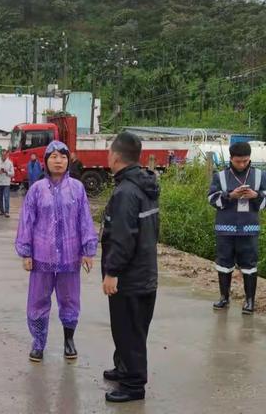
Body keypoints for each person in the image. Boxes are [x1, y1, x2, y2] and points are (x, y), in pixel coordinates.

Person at [15, 140, 98, 362]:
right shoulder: (36, 190)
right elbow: (26, 222)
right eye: (54, 157)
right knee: (38, 301)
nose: (58, 161)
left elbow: (85, 220)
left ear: (68, 160)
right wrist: (26, 252)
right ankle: (38, 343)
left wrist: (88, 250)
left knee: (70, 299)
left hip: (70, 257)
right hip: (42, 256)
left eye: (62, 157)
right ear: (46, 161)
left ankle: (69, 340)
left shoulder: (77, 189)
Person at [101, 132, 159, 403]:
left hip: (129, 278)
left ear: (114, 155)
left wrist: (112, 272)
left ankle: (133, 385)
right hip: (145, 273)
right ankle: (124, 367)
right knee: (133, 328)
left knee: (128, 331)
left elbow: (122, 238)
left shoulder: (126, 191)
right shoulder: (145, 184)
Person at [208, 142, 266, 314]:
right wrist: (230, 196)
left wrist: (256, 196)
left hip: (248, 229)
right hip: (225, 228)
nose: (242, 164)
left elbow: (264, 200)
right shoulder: (221, 176)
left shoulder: (259, 175)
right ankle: (224, 298)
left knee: (249, 264)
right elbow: (212, 199)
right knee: (224, 264)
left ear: (250, 159)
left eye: (245, 161)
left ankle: (249, 301)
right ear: (231, 159)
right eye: (238, 161)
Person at [0, 149, 14, 218]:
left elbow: (13, 173)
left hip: (6, 183)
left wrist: (7, 172)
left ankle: (7, 212)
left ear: (7, 155)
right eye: (2, 155)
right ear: (0, 155)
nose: (3, 156)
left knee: (6, 197)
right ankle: (1, 211)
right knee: (0, 198)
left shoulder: (10, 163)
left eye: (5, 155)